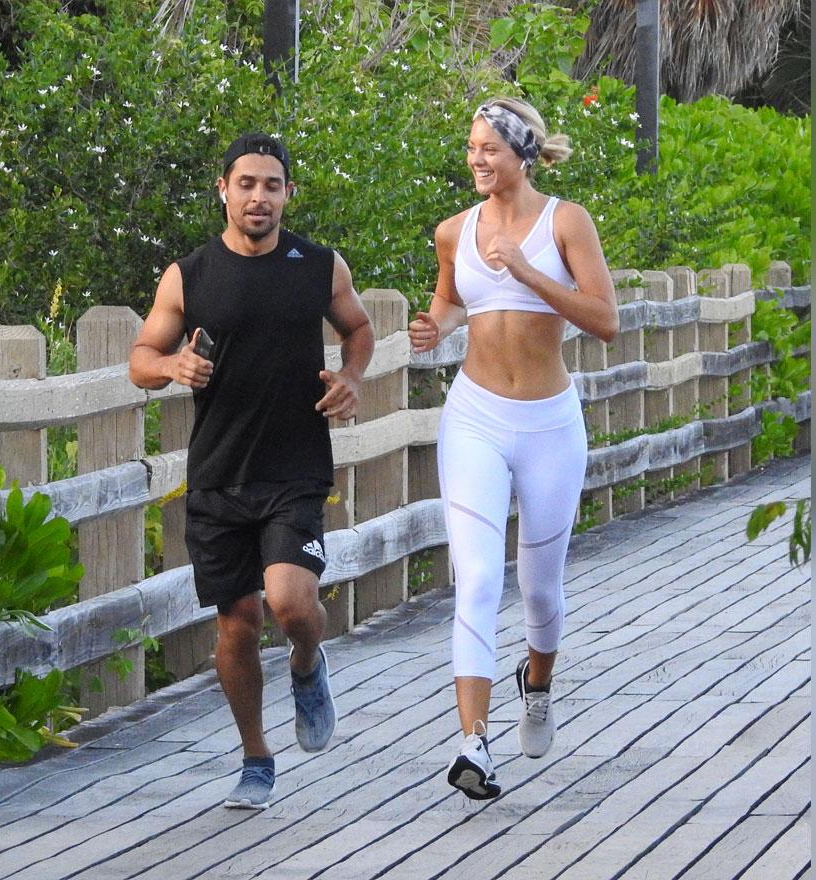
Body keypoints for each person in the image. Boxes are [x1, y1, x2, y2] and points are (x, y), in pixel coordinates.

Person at [129, 133, 374, 810]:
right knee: (236, 623)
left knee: (293, 603)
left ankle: (305, 663)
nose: (258, 196)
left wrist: (352, 377)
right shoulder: (190, 275)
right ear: (224, 190)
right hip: (217, 473)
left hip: (295, 467)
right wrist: (171, 365)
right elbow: (142, 356)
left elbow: (358, 328)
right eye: (246, 184)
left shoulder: (317, 266)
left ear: (288, 194)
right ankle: (256, 758)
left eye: (272, 185)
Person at [408, 99, 619, 799]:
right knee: (475, 580)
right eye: (470, 147)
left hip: (549, 425)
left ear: (522, 154)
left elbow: (606, 320)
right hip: (474, 416)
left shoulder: (566, 221)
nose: (475, 159)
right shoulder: (452, 232)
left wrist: (528, 274)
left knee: (539, 590)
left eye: (489, 149)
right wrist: (431, 327)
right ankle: (473, 743)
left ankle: (538, 682)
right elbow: (448, 300)